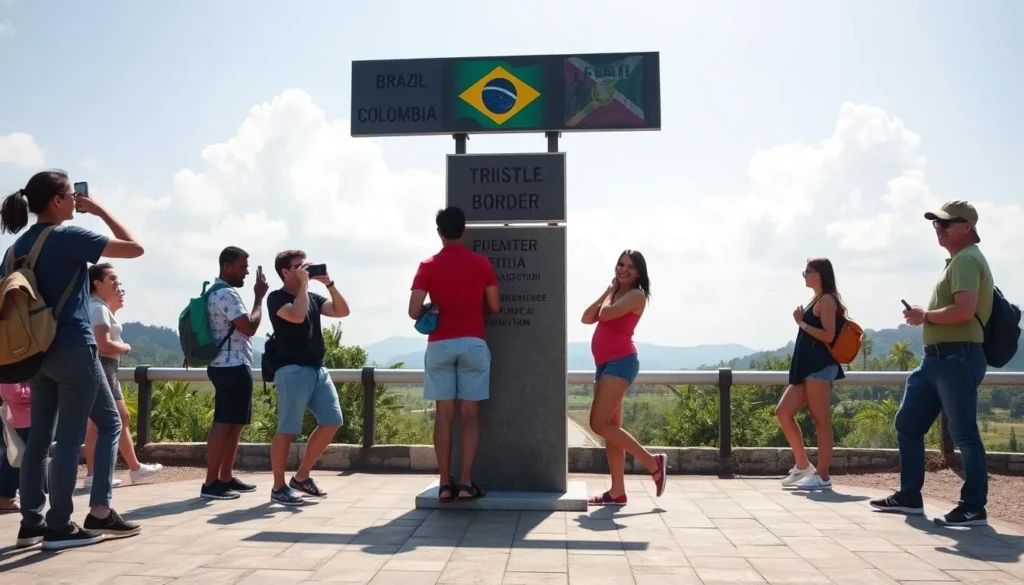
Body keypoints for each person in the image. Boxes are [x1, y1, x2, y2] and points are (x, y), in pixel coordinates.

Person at [0, 170, 143, 550]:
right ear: (59, 200)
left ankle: (31, 523)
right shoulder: (68, 236)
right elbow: (134, 247)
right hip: (74, 347)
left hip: (34, 354)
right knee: (98, 427)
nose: (74, 203)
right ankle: (69, 521)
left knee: (39, 440)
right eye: (70, 196)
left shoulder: (15, 248)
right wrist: (98, 211)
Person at [871, 201, 993, 526]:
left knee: (964, 434)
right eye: (935, 225)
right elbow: (957, 309)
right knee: (908, 423)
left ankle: (973, 506)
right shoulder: (957, 261)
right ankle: (909, 495)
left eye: (945, 224)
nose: (939, 229)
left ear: (967, 226)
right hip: (937, 360)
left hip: (957, 357)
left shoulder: (966, 260)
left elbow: (964, 310)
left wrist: (925, 316)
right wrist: (927, 317)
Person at [408, 207, 499, 503]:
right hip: (473, 341)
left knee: (444, 415)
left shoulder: (427, 265)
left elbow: (413, 311)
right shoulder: (481, 263)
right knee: (470, 414)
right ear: (464, 230)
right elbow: (494, 306)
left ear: (439, 231)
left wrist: (434, 309)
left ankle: (444, 483)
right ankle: (466, 482)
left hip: (440, 345)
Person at [581, 250, 666, 505]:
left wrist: (609, 294)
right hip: (605, 365)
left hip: (621, 363)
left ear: (639, 272)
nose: (623, 269)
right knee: (611, 429)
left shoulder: (635, 295)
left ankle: (654, 463)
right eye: (620, 264)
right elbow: (587, 318)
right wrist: (608, 291)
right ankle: (617, 491)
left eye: (630, 266)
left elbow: (605, 315)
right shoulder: (615, 294)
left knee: (597, 424)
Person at [266, 250, 349, 506]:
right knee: (287, 429)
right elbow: (296, 315)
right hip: (291, 369)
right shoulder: (276, 298)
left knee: (332, 421)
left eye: (306, 264)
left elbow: (341, 311)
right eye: (298, 266)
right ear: (285, 272)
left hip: (317, 369)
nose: (305, 269)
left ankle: (301, 477)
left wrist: (329, 283)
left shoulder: (312, 296)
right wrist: (303, 286)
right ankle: (278, 486)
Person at [82, 263, 163, 488]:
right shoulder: (97, 308)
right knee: (108, 421)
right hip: (104, 367)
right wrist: (124, 346)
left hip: (103, 368)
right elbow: (102, 344)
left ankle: (130, 468)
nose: (117, 284)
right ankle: (99, 474)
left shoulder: (93, 306)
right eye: (113, 280)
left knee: (112, 420)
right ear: (97, 283)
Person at [201, 246, 267, 500]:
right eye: (242, 267)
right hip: (230, 365)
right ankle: (210, 483)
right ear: (226, 266)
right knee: (223, 423)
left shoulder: (215, 292)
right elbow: (249, 327)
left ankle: (225, 477)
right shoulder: (227, 294)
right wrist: (259, 298)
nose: (246, 273)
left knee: (235, 424)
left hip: (231, 364)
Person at [776, 258, 847, 491]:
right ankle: (803, 465)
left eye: (807, 272)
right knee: (783, 411)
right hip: (806, 367)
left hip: (819, 367)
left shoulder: (827, 299)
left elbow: (828, 335)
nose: (804, 275)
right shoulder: (816, 299)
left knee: (820, 420)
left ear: (819, 274)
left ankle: (823, 475)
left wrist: (801, 323)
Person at [0, 382, 37, 512]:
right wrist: (42, 392)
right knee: (16, 458)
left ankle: (9, 495)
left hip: (30, 417)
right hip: (23, 420)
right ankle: (5, 496)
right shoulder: (12, 368)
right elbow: (13, 392)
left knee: (19, 458)